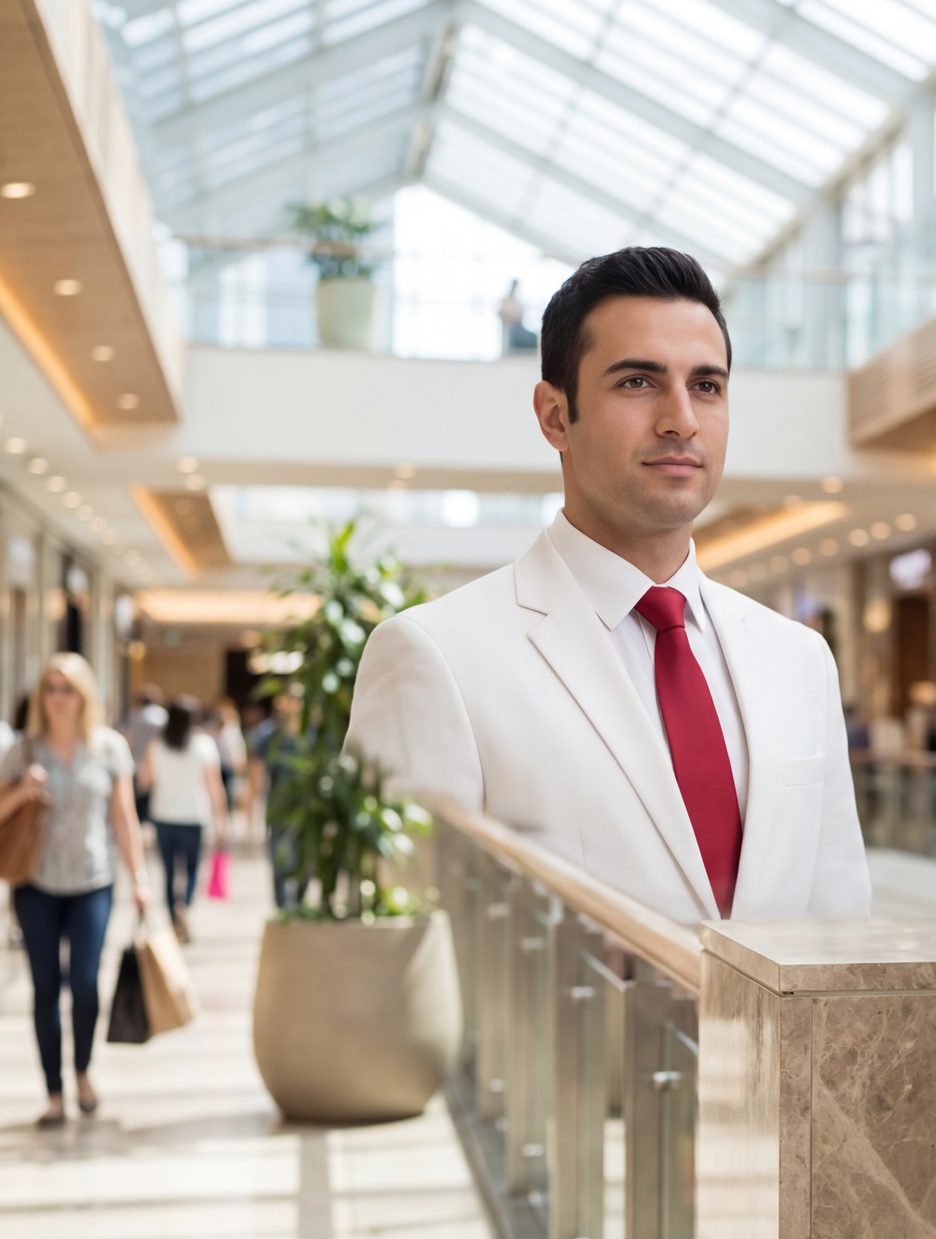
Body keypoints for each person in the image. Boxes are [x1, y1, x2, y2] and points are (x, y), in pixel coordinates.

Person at [349, 247, 869, 923]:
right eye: (638, 383)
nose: (680, 418)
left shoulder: (799, 661)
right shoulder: (435, 657)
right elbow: (400, 959)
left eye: (706, 386)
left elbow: (841, 937)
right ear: (555, 416)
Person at [0, 655, 150, 1128]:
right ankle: (53, 1091)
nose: (57, 698)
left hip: (92, 880)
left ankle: (83, 1071)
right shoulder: (23, 750)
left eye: (66, 688)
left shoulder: (108, 748)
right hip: (36, 883)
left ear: (84, 695)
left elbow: (123, 817)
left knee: (85, 984)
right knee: (46, 988)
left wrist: (140, 878)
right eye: (50, 688)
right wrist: (23, 790)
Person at [139, 696, 230, 944]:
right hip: (194, 816)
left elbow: (145, 781)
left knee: (168, 871)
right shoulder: (204, 745)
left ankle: (172, 917)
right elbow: (215, 787)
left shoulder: (156, 745)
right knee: (191, 869)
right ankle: (185, 907)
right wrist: (222, 820)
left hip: (164, 815)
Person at [247, 693, 303, 910]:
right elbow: (256, 775)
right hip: (278, 807)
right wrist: (250, 817)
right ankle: (283, 907)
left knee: (303, 862)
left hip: (305, 809)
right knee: (279, 859)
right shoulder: (267, 735)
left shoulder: (312, 735)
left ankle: (299, 903)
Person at [117, 684, 166, 828]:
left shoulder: (134, 716)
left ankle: (139, 825)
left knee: (138, 799)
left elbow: (127, 738)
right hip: (157, 762)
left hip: (137, 761)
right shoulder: (162, 716)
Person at [211, 698, 248, 833]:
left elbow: (238, 747)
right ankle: (219, 821)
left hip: (228, 766)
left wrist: (240, 762)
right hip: (217, 766)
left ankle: (225, 822)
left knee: (228, 794)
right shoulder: (214, 728)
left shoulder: (232, 729)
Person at [498, 279, 537, 354]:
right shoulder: (505, 300)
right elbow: (503, 314)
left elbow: (521, 314)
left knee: (533, 337)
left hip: (519, 327)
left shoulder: (517, 301)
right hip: (512, 329)